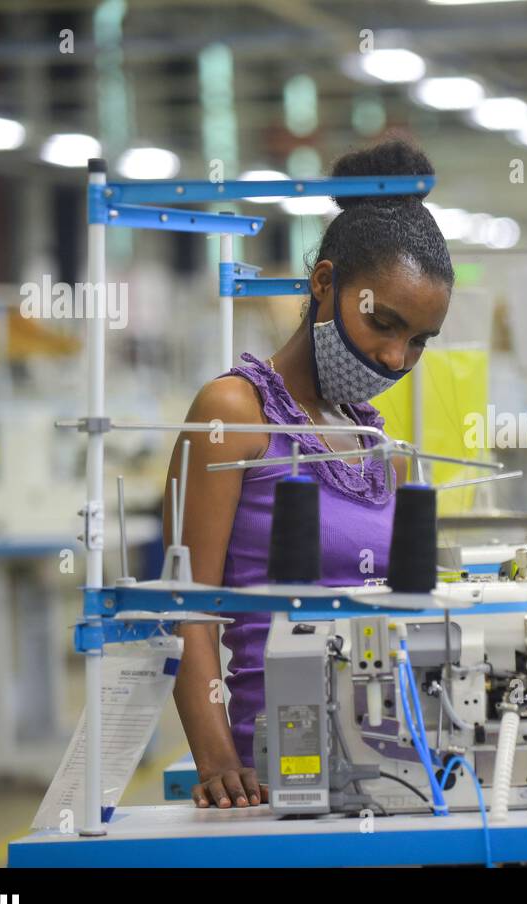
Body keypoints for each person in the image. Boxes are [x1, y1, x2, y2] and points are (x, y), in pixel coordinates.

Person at [164, 140, 454, 810]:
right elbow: (185, 609)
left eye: (418, 340)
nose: (394, 355)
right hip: (272, 774)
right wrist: (217, 763)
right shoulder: (233, 412)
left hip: (390, 773)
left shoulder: (375, 440)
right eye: (383, 321)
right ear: (324, 283)